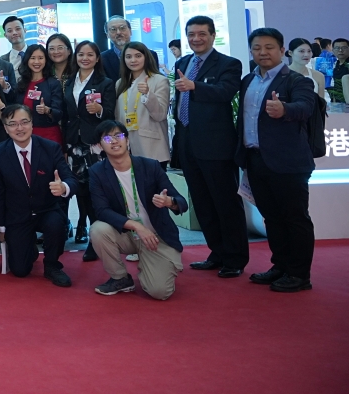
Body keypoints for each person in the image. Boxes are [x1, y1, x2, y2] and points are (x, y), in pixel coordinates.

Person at [236, 28, 318, 293]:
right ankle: (280, 266)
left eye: (269, 47)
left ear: (282, 51)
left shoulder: (296, 80)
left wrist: (284, 109)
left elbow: (305, 107)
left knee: (295, 218)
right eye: (257, 48)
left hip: (288, 162)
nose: (263, 52)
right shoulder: (248, 81)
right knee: (271, 217)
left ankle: (299, 274)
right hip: (255, 159)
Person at [172, 16, 247, 277]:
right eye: (191, 34)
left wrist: (195, 86)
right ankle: (217, 252)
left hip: (216, 146)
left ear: (213, 35)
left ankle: (235, 259)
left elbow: (225, 92)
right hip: (188, 143)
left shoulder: (229, 64)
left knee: (226, 203)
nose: (196, 39)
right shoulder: (182, 63)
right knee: (202, 203)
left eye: (202, 34)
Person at [89, 121, 188, 299]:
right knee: (98, 229)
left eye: (118, 136)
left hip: (156, 236)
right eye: (107, 138)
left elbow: (181, 202)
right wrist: (136, 226)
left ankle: (151, 264)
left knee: (160, 292)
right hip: (127, 234)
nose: (114, 141)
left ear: (127, 140)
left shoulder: (150, 166)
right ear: (100, 146)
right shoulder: (97, 172)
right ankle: (120, 278)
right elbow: (102, 211)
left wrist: (169, 202)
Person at [0, 104, 75, 286]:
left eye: (24, 122)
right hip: (18, 214)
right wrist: (1, 227)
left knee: (56, 224)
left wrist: (63, 187)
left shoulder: (50, 148)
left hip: (46, 210)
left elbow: (70, 179)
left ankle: (52, 265)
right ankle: (30, 249)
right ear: (5, 128)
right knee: (20, 270)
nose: (19, 128)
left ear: (32, 123)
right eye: (13, 124)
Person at [62, 39, 116, 253]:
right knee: (81, 190)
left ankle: (97, 238)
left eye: (90, 54)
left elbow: (110, 113)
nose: (85, 58)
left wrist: (100, 110)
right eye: (81, 54)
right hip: (74, 143)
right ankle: (88, 231)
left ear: (97, 58)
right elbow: (67, 113)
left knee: (97, 190)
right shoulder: (69, 82)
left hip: (95, 144)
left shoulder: (105, 82)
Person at [115, 41, 170, 167]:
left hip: (151, 145)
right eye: (128, 57)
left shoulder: (159, 80)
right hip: (126, 145)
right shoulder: (120, 83)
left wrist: (148, 94)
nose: (133, 60)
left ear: (146, 57)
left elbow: (160, 115)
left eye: (138, 56)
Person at [13, 45, 65, 149]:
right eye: (33, 58)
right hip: (24, 135)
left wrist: (47, 110)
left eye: (40, 58)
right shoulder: (21, 84)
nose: (37, 62)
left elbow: (59, 112)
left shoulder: (53, 84)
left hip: (49, 135)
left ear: (46, 60)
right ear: (27, 60)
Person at [101, 16, 132, 81]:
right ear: (107, 35)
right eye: (113, 29)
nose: (118, 32)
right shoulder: (102, 59)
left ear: (130, 31)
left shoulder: (148, 54)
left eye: (122, 28)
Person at [329, 38, 349, 103]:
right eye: (337, 48)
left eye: (344, 48)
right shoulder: (336, 64)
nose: (340, 50)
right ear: (333, 50)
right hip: (339, 102)